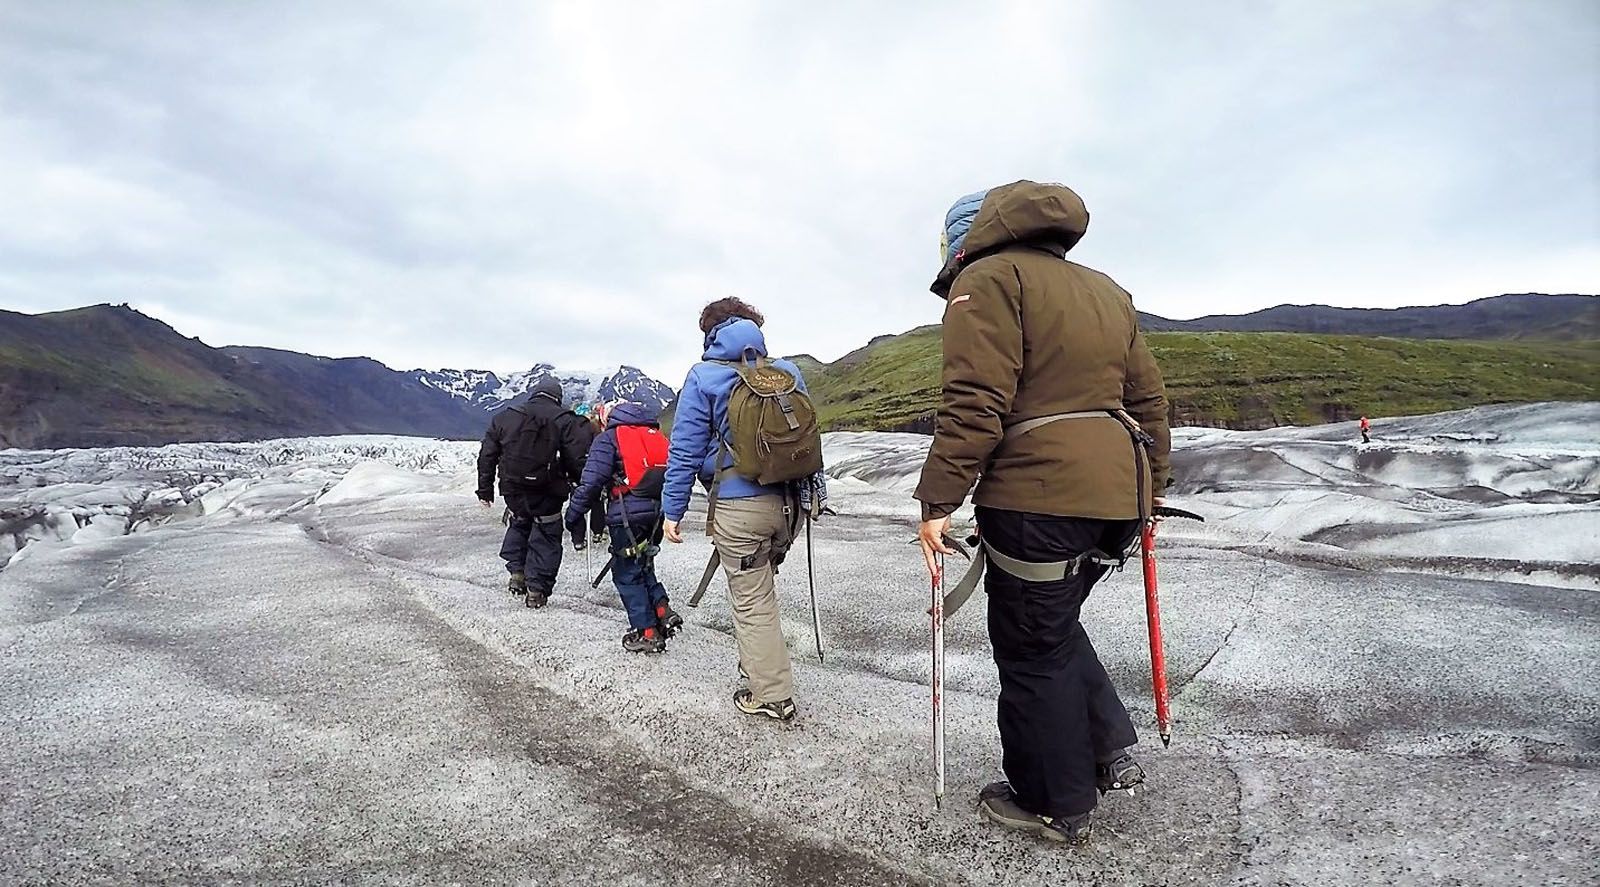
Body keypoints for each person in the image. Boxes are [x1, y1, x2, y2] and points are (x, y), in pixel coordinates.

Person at [914, 181, 1172, 845]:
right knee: (1053, 625)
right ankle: (1109, 745)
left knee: (1031, 648)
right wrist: (1153, 491)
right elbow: (1150, 402)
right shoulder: (1106, 290)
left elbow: (976, 401)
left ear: (963, 241)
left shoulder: (989, 279)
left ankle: (1055, 800)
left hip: (1040, 496)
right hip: (1116, 496)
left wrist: (937, 501)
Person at [660, 298, 821, 722]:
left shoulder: (704, 377)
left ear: (710, 335)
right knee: (761, 585)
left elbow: (685, 451)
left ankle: (770, 693)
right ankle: (759, 663)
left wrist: (672, 510)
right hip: (787, 508)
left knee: (752, 599)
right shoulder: (786, 372)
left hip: (739, 505)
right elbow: (808, 439)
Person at [564, 401, 683, 653]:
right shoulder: (654, 433)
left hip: (626, 514)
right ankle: (662, 610)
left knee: (626, 572)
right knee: (644, 564)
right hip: (656, 513)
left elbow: (592, 481)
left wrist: (573, 514)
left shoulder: (609, 438)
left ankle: (647, 632)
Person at [476, 377, 591, 608]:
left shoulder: (504, 417)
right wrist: (583, 485)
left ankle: (517, 574)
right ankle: (537, 589)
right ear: (557, 397)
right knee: (547, 534)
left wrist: (485, 489)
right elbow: (576, 458)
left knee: (519, 523)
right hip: (548, 491)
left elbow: (487, 455)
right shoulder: (564, 419)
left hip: (513, 488)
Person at [571, 403, 609, 547]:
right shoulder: (595, 428)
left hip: (575, 470)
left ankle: (578, 539)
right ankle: (598, 532)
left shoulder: (570, 428)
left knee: (577, 503)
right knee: (596, 503)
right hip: (593, 469)